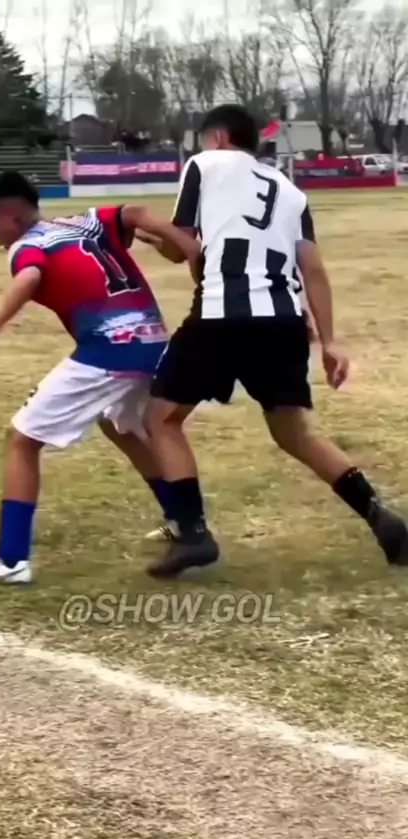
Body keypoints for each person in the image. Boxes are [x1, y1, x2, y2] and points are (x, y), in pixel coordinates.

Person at [143, 103, 408, 577]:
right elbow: (313, 269)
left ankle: (193, 534)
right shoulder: (290, 191)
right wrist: (330, 341)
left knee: (161, 418)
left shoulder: (204, 164)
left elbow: (183, 245)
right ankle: (380, 517)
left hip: (223, 314)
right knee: (294, 432)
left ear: (218, 137)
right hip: (283, 321)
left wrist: (153, 235)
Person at [0, 170, 200, 584]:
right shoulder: (84, 221)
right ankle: (180, 519)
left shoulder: (27, 246)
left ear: (11, 216)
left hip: (111, 349)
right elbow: (138, 214)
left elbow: (29, 277)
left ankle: (12, 560)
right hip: (155, 340)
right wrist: (192, 248)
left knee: (22, 438)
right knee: (120, 425)